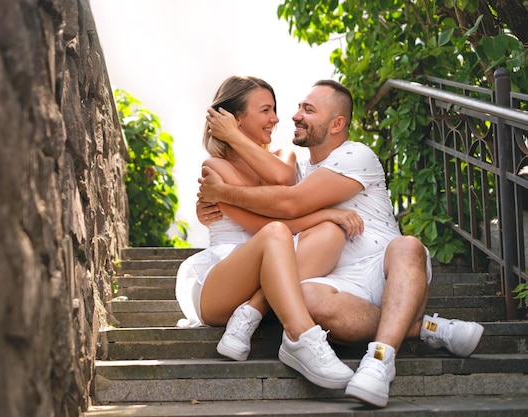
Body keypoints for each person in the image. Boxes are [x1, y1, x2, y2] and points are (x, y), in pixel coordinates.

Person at [198, 79, 485, 408]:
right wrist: (216, 207)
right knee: (303, 295)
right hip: (335, 284)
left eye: (308, 110)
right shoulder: (301, 170)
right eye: (296, 108)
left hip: (389, 274)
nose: (293, 116)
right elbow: (274, 205)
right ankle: (424, 328)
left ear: (337, 124)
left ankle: (379, 359)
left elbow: (288, 204)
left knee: (408, 245)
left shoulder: (355, 155)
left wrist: (221, 194)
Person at [175, 75, 366, 390]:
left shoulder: (284, 156)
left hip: (273, 272)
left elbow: (281, 176)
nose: (276, 119)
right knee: (280, 232)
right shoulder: (215, 167)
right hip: (220, 285)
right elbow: (263, 227)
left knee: (331, 232)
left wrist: (328, 218)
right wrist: (326, 212)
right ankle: (301, 336)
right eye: (265, 110)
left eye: (274, 109)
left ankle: (252, 312)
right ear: (234, 119)